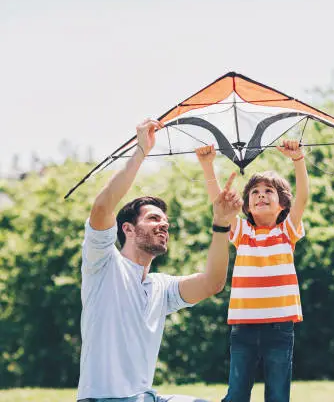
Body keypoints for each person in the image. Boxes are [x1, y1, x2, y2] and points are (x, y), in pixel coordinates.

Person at [76, 118, 243, 402]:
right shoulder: (103, 264)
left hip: (146, 397)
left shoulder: (160, 288)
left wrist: (221, 223)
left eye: (166, 221)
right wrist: (142, 150)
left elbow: (213, 283)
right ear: (127, 229)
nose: (163, 225)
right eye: (154, 218)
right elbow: (103, 207)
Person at [195, 140, 309, 402]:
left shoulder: (286, 231)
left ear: (283, 205)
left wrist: (298, 160)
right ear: (246, 206)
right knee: (236, 394)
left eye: (269, 191)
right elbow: (219, 203)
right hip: (243, 327)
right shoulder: (243, 233)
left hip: (280, 328)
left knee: (278, 396)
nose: (260, 195)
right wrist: (207, 167)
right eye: (255, 192)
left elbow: (302, 196)